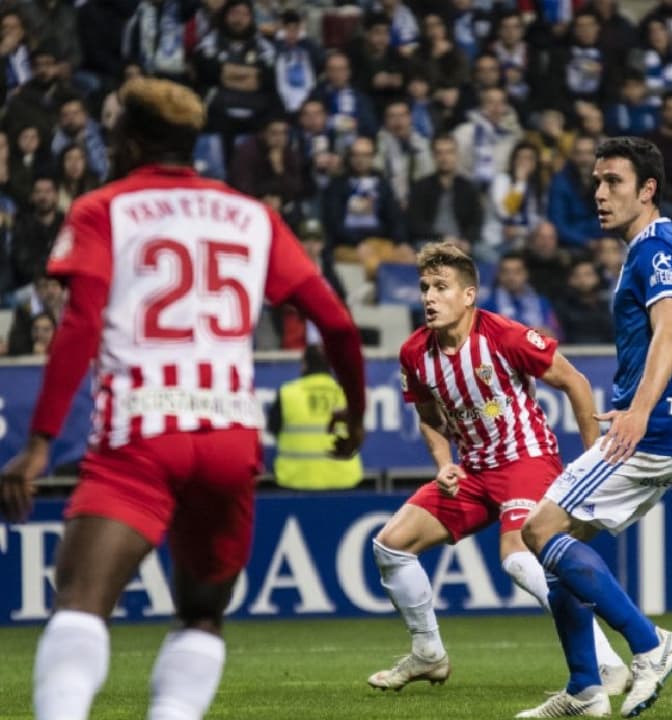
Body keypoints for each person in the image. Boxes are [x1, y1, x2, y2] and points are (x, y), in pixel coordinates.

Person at [0, 77, 366, 720]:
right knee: (200, 614)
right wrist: (354, 414)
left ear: (131, 140)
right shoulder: (254, 216)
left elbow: (79, 327)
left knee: (82, 603)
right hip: (230, 436)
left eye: (112, 131)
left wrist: (37, 445)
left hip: (141, 429)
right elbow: (336, 323)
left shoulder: (102, 208)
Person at [518, 136, 672, 719]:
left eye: (613, 181)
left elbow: (670, 332)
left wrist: (638, 409)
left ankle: (649, 644)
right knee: (563, 550)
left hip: (649, 427)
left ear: (648, 189)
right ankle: (586, 689)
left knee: (539, 530)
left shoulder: (653, 250)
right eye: (597, 181)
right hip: (670, 423)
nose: (600, 193)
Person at [365, 243, 630, 696]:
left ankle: (608, 665)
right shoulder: (414, 354)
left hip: (526, 457)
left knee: (518, 555)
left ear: (469, 296)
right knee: (391, 546)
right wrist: (444, 463)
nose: (429, 297)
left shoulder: (504, 335)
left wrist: (591, 465)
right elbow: (428, 417)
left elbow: (576, 382)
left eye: (441, 288)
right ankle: (429, 653)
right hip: (473, 470)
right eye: (425, 287)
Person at [268, 345, 365, 490]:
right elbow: (359, 430)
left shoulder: (287, 393)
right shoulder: (347, 392)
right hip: (345, 480)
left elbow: (272, 429)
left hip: (295, 481)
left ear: (304, 364)